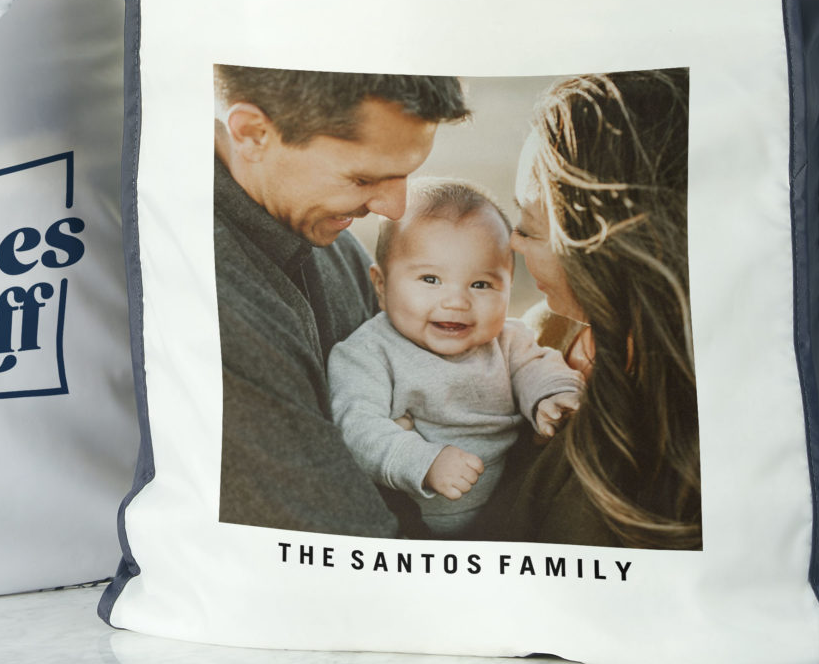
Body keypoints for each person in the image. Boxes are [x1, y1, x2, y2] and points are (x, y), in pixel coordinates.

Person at [213, 66, 469, 535]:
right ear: (252, 133)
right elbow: (352, 540)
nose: (394, 208)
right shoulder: (220, 310)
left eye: (405, 176)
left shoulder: (321, 229)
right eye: (364, 179)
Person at [492, 70, 703, 550]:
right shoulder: (538, 335)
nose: (512, 243)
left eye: (530, 228)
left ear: (609, 246)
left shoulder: (681, 428)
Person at [325, 179, 584, 536]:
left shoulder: (506, 340)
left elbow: (537, 365)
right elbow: (357, 427)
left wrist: (553, 395)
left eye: (481, 285)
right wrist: (425, 461)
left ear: (508, 287)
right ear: (381, 285)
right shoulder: (368, 352)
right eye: (430, 279)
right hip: (406, 522)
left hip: (501, 513)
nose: (457, 302)